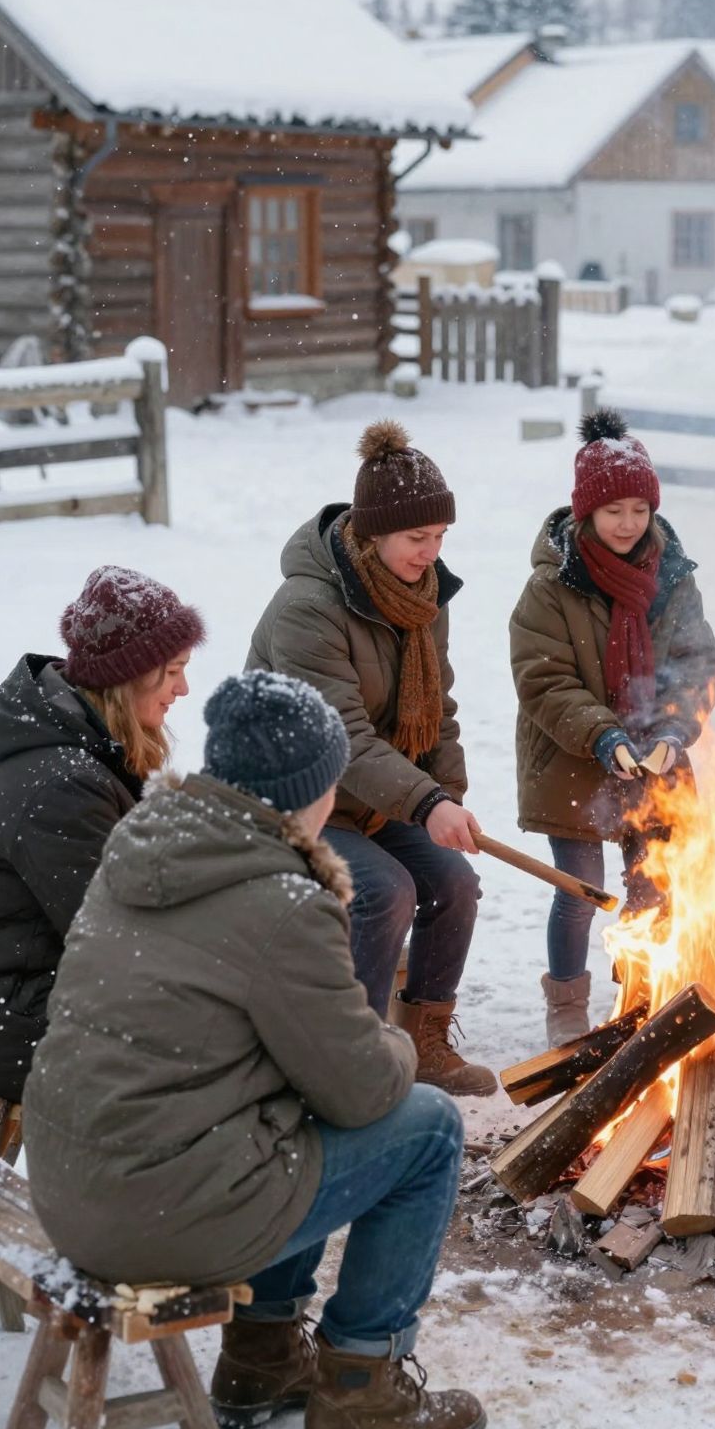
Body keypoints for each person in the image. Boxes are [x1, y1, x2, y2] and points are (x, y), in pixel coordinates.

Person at [21, 670, 484, 1429]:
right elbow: (365, 1086)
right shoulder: (280, 900)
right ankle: (362, 1386)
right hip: (160, 1214)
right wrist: (403, 1043)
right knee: (430, 1127)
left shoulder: (141, 851)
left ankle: (262, 1357)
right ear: (304, 793)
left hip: (73, 1188)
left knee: (299, 1106)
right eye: (330, 786)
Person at [246, 420, 492, 1096]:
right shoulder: (309, 609)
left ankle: (426, 1043)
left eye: (441, 537)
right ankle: (350, 1059)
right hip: (295, 801)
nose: (431, 552)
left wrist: (448, 798)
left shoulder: (422, 597)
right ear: (373, 532)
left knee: (455, 883)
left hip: (380, 802)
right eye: (418, 539)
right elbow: (340, 735)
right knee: (385, 892)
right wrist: (427, 802)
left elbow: (436, 711)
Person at [0, 566, 203, 1103]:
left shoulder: (84, 752)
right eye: (174, 670)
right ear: (130, 675)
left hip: (52, 992)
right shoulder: (60, 785)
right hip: (21, 1024)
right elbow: (122, 934)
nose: (183, 688)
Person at [510, 409, 715, 1044]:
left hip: (652, 756)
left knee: (653, 884)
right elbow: (544, 679)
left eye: (638, 509)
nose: (628, 524)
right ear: (585, 516)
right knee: (582, 889)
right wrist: (604, 735)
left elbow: (695, 660)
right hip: (573, 756)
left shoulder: (672, 578)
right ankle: (566, 1002)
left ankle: (639, 994)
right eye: (612, 512)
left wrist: (671, 732)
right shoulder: (551, 587)